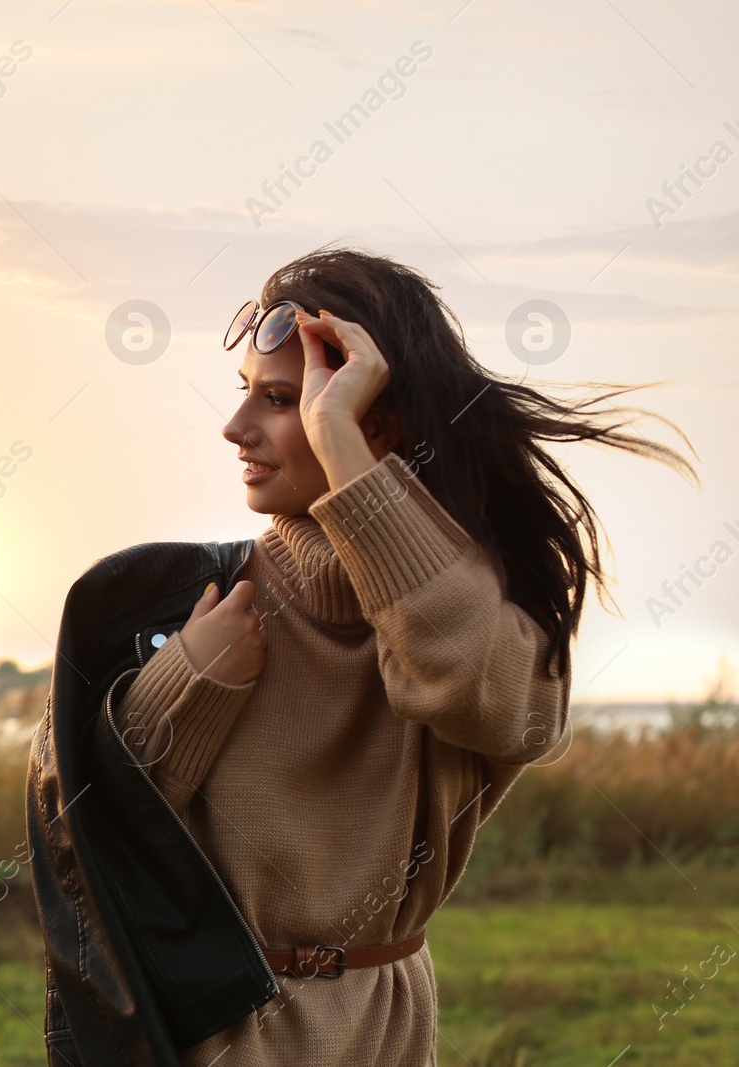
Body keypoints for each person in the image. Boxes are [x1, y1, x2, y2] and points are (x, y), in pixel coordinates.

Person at [113, 245, 696, 1065]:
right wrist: (186, 687)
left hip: (385, 1036)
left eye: (280, 399)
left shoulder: (471, 606)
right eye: (244, 391)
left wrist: (341, 453)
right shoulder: (190, 599)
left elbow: (507, 710)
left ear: (370, 423)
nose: (234, 426)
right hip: (205, 1034)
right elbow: (82, 839)